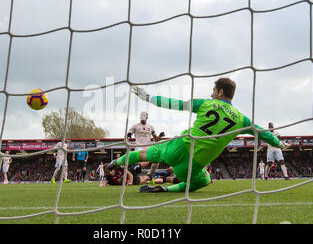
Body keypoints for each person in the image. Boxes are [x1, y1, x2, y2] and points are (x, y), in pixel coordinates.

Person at [107, 77, 288, 193]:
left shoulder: (206, 104)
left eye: (214, 90)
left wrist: (148, 98)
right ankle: (165, 189)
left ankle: (115, 162)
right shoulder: (242, 120)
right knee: (204, 181)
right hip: (192, 165)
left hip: (178, 147)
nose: (211, 93)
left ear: (221, 92)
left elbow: (175, 103)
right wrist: (279, 144)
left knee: (144, 154)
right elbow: (264, 133)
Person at [128, 111, 165, 177]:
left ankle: (150, 174)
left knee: (156, 160)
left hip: (148, 147)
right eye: (142, 119)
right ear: (140, 118)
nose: (143, 120)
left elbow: (156, 139)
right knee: (145, 160)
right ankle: (133, 171)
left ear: (147, 118)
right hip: (139, 147)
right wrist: (128, 135)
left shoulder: (150, 127)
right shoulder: (135, 126)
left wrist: (160, 136)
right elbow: (127, 135)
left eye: (144, 119)